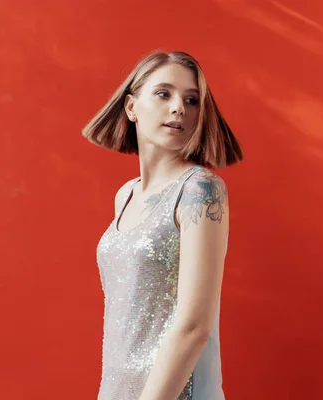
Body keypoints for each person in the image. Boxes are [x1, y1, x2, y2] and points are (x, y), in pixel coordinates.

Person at [82, 50, 244, 400]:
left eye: (192, 100)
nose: (179, 108)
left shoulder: (200, 189)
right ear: (130, 108)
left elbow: (193, 326)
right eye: (163, 93)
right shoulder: (125, 196)